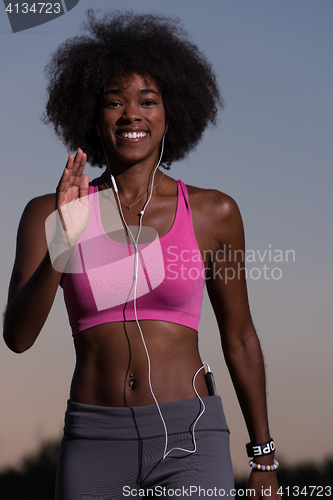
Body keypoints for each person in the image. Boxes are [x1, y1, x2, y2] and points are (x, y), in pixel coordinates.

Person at [3, 10, 281, 500]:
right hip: (94, 440)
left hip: (191, 437)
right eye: (114, 103)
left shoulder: (215, 213)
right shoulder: (48, 211)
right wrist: (64, 241)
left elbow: (239, 337)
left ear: (171, 112)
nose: (131, 114)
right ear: (93, 116)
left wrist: (264, 456)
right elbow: (18, 337)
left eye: (147, 101)